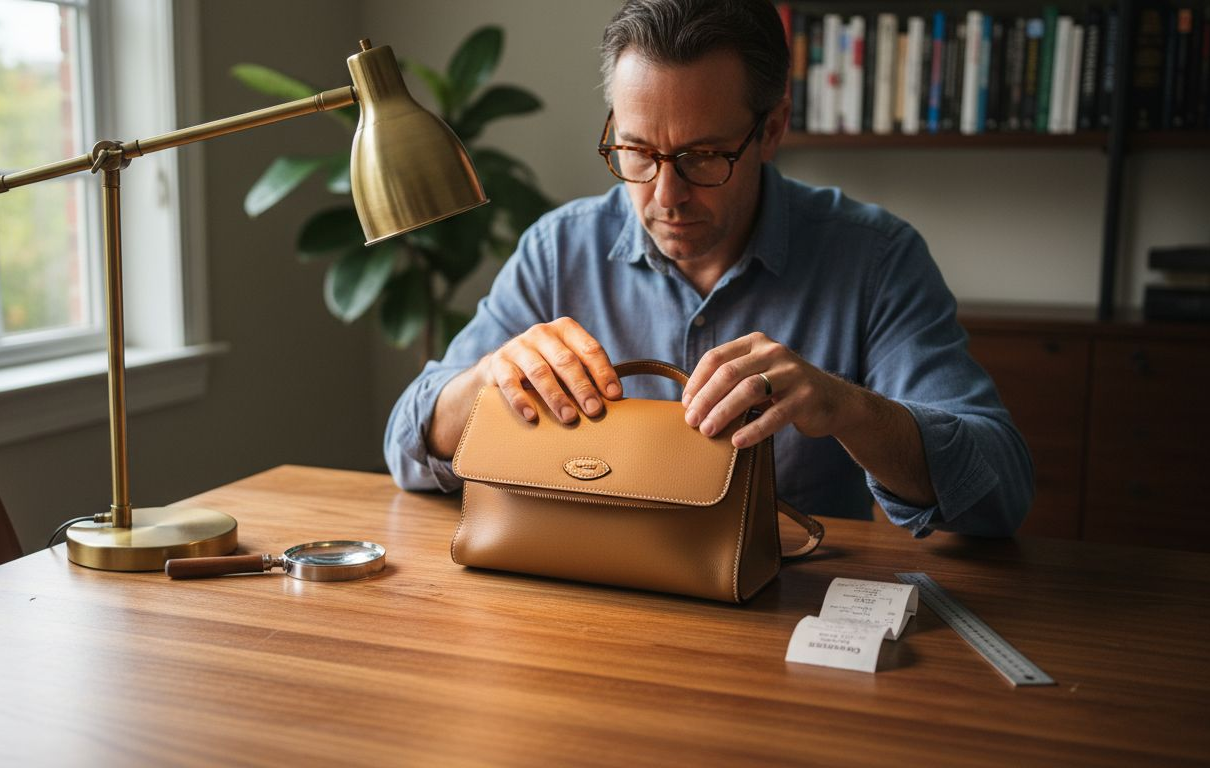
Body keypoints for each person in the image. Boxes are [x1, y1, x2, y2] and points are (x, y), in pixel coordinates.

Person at [383, 0, 1033, 538]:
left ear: (772, 128)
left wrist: (846, 407)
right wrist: (485, 381)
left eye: (703, 156)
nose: (665, 196)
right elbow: (406, 448)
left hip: (787, 620)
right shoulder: (559, 249)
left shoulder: (875, 258)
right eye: (637, 151)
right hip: (586, 610)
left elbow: (999, 491)